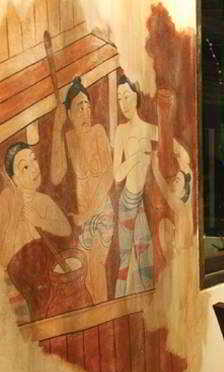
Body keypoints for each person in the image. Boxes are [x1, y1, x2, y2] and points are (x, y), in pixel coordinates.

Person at [112, 74, 189, 297]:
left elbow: (181, 152)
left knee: (145, 261)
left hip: (142, 205)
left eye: (127, 96)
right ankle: (119, 303)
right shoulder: (121, 131)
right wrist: (136, 157)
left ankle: (148, 306)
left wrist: (184, 172)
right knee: (124, 259)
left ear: (137, 97)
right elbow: (117, 175)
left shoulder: (149, 129)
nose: (123, 103)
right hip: (127, 202)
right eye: (119, 98)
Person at [50, 77, 114, 304]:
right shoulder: (68, 138)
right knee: (85, 274)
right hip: (84, 220)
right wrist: (57, 129)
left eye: (87, 105)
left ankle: (104, 315)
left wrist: (86, 215)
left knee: (96, 266)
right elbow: (56, 175)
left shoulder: (98, 132)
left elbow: (108, 178)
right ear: (68, 114)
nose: (85, 111)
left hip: (102, 213)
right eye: (79, 106)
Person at [0, 143, 72, 321]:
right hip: (20, 282)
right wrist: (16, 212)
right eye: (25, 167)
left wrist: (40, 220)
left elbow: (66, 228)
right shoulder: (6, 200)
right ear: (14, 179)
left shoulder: (44, 200)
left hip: (49, 278)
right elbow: (3, 255)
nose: (34, 168)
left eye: (34, 160)